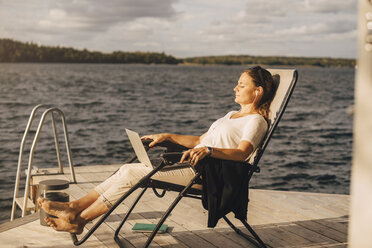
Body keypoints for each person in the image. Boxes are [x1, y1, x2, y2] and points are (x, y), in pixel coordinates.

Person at [38, 66, 277, 234]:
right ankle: (74, 209)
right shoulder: (230, 115)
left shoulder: (256, 121)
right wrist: (168, 136)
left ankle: (79, 219)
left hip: (211, 176)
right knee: (128, 169)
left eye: (242, 84)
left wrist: (210, 152)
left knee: (133, 174)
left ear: (258, 91)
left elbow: (243, 153)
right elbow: (199, 140)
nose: (235, 87)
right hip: (194, 165)